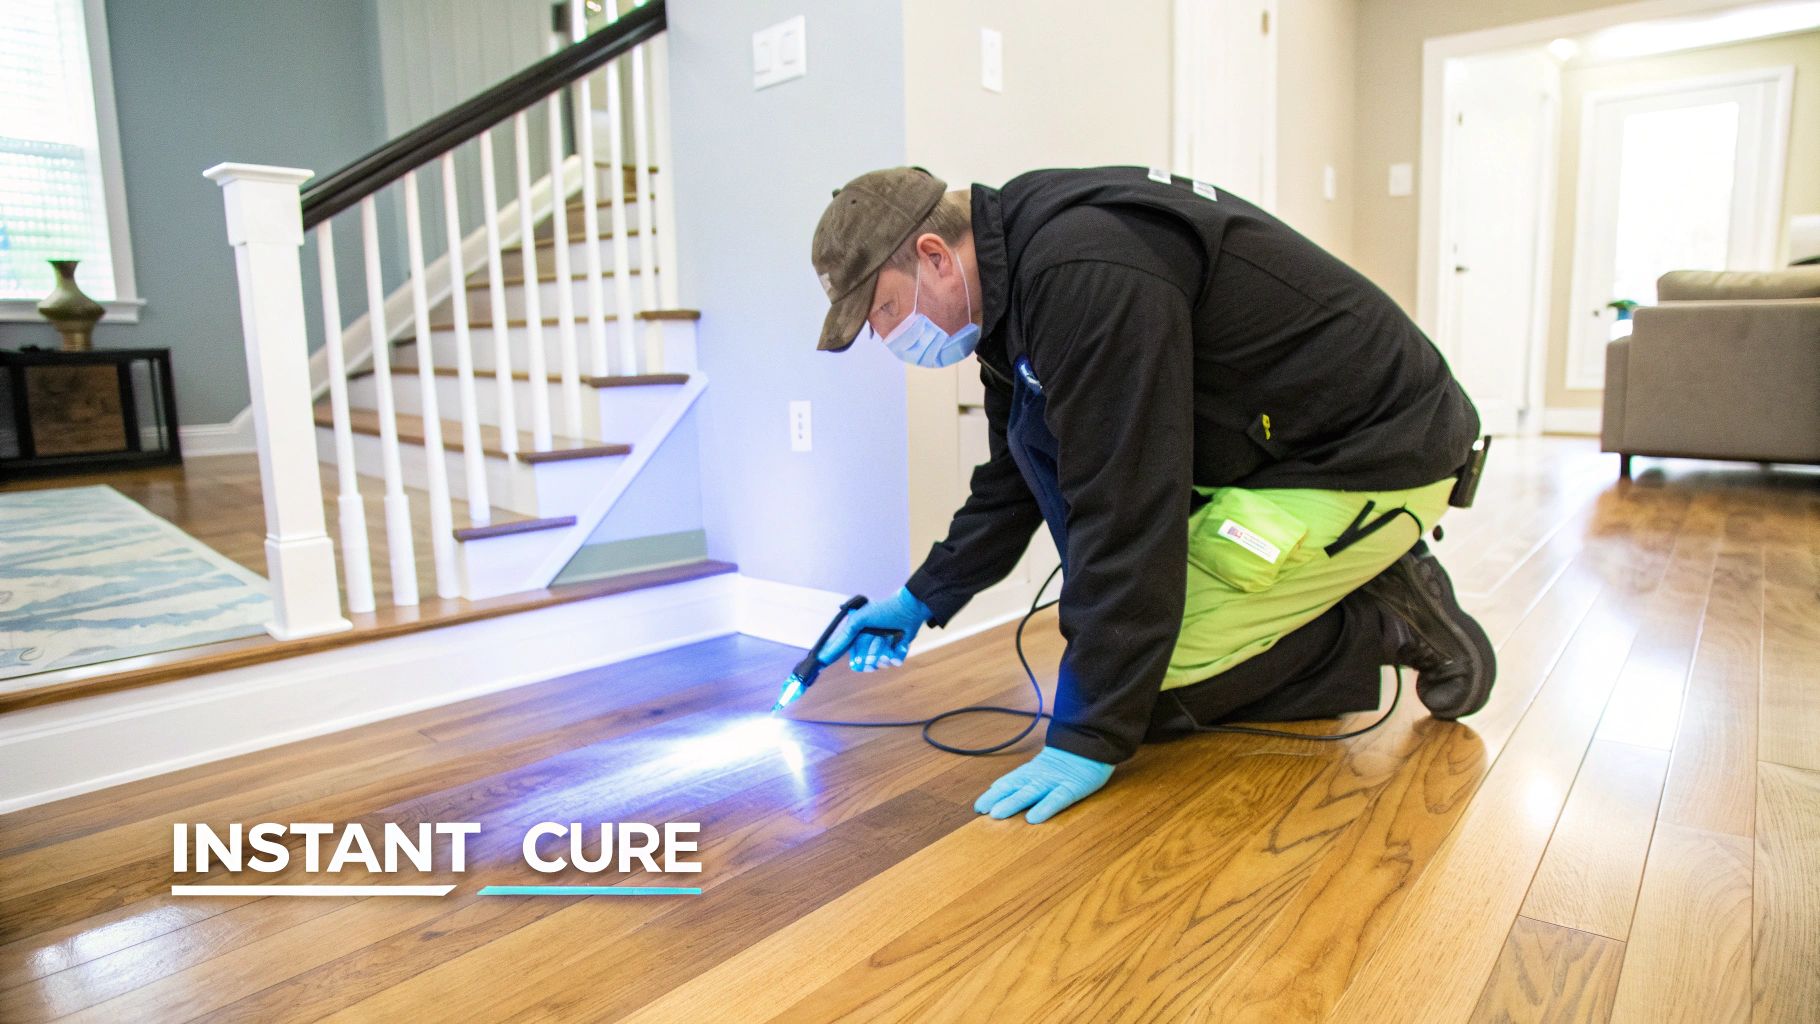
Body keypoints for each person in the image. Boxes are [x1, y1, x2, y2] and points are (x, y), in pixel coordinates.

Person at [805, 166, 1495, 825]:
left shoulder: (1085, 273)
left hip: (1376, 451)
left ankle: (1386, 616)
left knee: (1150, 689)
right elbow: (1015, 475)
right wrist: (924, 595)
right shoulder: (1014, 290)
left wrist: (1089, 735)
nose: (887, 336)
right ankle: (1337, 582)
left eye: (884, 310)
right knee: (1119, 655)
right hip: (1271, 450)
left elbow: (1126, 501)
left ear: (933, 256)